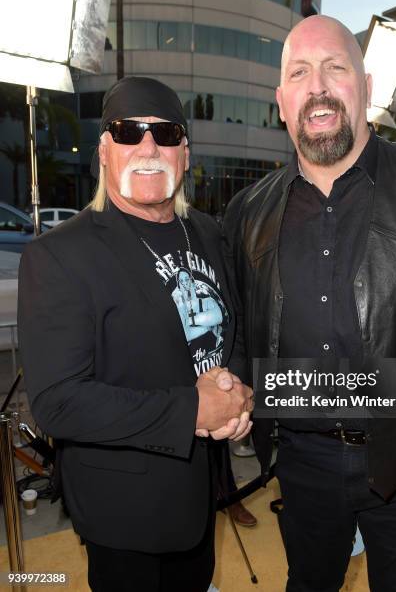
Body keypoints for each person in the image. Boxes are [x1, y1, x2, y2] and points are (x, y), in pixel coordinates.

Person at [223, 15, 396, 591]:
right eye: (300, 72)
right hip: (301, 466)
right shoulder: (247, 213)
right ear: (281, 101)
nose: (318, 86)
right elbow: (244, 339)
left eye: (335, 68)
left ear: (366, 87)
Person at [18, 76, 253, 592]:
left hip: (200, 494)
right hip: (125, 513)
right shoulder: (60, 254)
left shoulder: (209, 233)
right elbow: (58, 402)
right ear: (105, 150)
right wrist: (191, 410)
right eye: (129, 132)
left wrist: (235, 394)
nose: (148, 147)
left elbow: (230, 330)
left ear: (185, 154)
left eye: (165, 134)